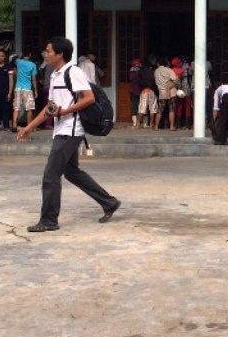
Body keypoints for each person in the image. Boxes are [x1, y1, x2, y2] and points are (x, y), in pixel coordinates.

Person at [17, 37, 120, 232]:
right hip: (62, 129)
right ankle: (109, 202)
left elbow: (89, 98)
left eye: (49, 51)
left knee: (51, 175)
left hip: (71, 130)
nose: (46, 54)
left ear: (60, 54)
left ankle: (49, 220)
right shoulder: (55, 75)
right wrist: (30, 126)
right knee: (71, 172)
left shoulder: (73, 72)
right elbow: (50, 107)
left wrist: (65, 111)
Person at [12, 49, 38, 133]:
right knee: (29, 108)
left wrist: (20, 55)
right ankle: (29, 126)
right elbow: (33, 79)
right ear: (30, 54)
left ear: (23, 54)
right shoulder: (33, 65)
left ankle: (14, 125)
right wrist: (36, 90)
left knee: (16, 107)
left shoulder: (18, 62)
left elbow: (12, 58)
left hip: (18, 87)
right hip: (27, 88)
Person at [153, 58, 177, 131]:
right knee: (171, 109)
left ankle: (156, 126)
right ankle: (171, 126)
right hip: (171, 92)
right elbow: (175, 79)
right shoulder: (169, 70)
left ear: (158, 64)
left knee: (160, 110)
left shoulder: (156, 71)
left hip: (162, 92)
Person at [127, 57, 143, 128]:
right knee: (140, 105)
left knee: (134, 105)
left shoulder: (131, 70)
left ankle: (135, 123)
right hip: (139, 89)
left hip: (133, 90)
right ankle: (142, 122)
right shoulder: (139, 71)